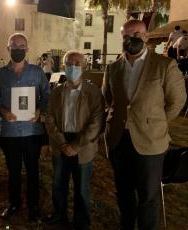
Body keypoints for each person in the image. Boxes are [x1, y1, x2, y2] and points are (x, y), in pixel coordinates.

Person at [102, 19, 186, 230]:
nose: (132, 39)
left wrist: (157, 122)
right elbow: (108, 98)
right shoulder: (112, 68)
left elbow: (177, 101)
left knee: (148, 196)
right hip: (119, 140)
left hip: (150, 143)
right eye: (127, 36)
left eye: (137, 34)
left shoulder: (164, 65)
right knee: (123, 193)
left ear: (146, 37)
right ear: (122, 38)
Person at [0, 33, 50, 222]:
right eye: (14, 45)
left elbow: (47, 95)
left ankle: (33, 206)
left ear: (27, 48)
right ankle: (14, 203)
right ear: (8, 48)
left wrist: (39, 110)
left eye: (21, 45)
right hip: (10, 132)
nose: (18, 48)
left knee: (33, 170)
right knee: (13, 170)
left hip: (32, 132)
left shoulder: (37, 72)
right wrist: (3, 111)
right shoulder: (0, 74)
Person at [43, 51, 104, 229]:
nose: (73, 67)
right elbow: (49, 119)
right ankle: (58, 215)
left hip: (82, 146)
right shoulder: (56, 92)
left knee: (82, 188)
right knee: (58, 183)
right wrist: (62, 142)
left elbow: (96, 123)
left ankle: (81, 221)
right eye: (69, 64)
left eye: (77, 63)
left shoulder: (93, 93)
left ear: (84, 66)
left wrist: (76, 145)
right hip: (60, 143)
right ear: (63, 67)